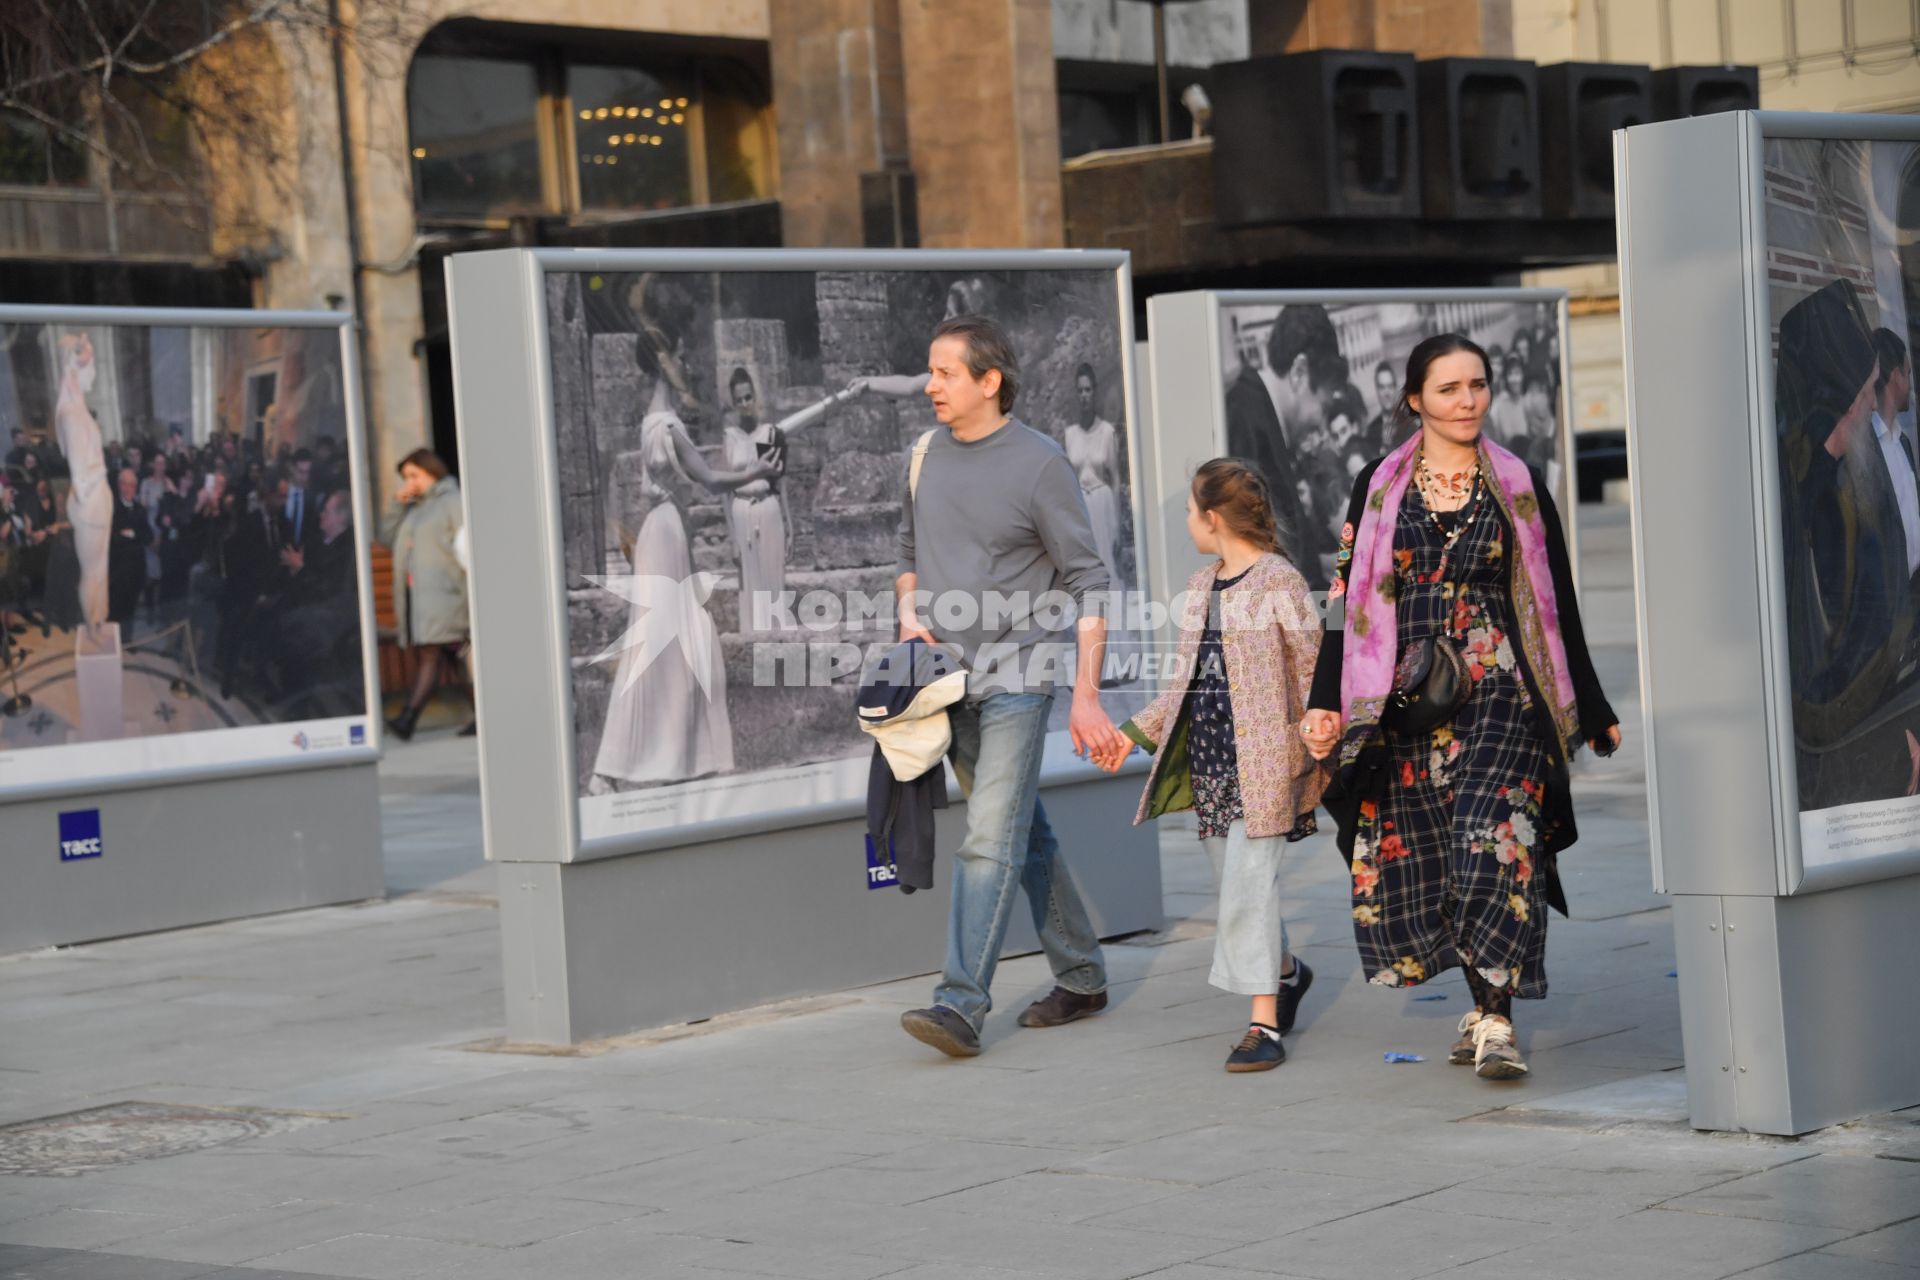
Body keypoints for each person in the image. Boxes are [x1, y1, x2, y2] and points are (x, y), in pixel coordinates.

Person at [1299, 333, 1619, 1081]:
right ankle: (1480, 1001)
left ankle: (1499, 1022)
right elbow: (1344, 599)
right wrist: (1324, 698)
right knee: (1440, 853)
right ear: (1415, 400)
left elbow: (1555, 595)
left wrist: (1591, 700)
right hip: (1405, 694)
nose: (1467, 400)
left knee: (1495, 840)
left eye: (1478, 385)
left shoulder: (1517, 481)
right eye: (1449, 389)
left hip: (1503, 687)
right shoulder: (1376, 485)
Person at [894, 314, 1122, 1059]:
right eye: (930, 371)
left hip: (1020, 677)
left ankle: (959, 1004)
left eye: (945, 373)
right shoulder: (924, 454)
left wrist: (1086, 695)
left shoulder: (1041, 464)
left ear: (989, 382)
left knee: (989, 839)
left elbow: (1090, 579)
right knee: (1024, 831)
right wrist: (908, 615)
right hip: (943, 684)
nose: (930, 385)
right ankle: (1082, 975)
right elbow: (908, 549)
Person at [1100, 459, 1327, 1072]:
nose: (1187, 522)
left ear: (1214, 516)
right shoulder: (1202, 587)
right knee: (1237, 885)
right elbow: (1183, 687)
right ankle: (1287, 972)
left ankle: (1263, 1024)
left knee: (1248, 890)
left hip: (1265, 764)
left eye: (1189, 511)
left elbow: (1314, 672)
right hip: (1208, 764)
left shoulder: (1280, 581)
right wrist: (1131, 737)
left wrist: (1312, 738)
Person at [587, 379, 782, 788]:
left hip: (663, 531)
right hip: (665, 534)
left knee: (681, 642)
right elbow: (709, 479)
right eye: (679, 357)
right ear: (663, 364)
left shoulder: (651, 423)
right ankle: (616, 765)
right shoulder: (669, 428)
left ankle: (684, 756)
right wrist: (757, 470)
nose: (688, 368)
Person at [381, 449, 467, 741]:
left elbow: (466, 549)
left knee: (432, 654)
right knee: (458, 658)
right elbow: (387, 537)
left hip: (447, 597)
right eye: (405, 477)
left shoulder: (452, 501)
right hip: (422, 600)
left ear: (431, 470)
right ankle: (484, 716)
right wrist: (397, 504)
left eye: (414, 475)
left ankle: (408, 718)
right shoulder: (417, 508)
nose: (410, 482)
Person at [53, 333, 113, 629]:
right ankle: (92, 626)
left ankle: (98, 621)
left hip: (97, 498)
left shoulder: (78, 411)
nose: (95, 373)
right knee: (92, 572)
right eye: (91, 366)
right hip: (90, 501)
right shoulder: (70, 413)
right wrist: (99, 475)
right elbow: (80, 473)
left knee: (100, 570)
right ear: (75, 368)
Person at [1063, 362, 1123, 590]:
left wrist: (1116, 523)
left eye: (1088, 390)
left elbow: (1115, 479)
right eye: (1080, 390)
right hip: (1081, 507)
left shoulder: (1107, 432)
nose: (1084, 395)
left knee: (1107, 565)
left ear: (1095, 391)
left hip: (1103, 503)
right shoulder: (1070, 435)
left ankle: (1114, 620)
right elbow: (1067, 482)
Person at [1868, 328, 1920, 589]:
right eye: (1908, 373)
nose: (1910, 385)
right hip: (1889, 603)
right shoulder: (1866, 449)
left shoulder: (1903, 442)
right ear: (1896, 376)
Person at [108, 466, 152, 633]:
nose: (129, 489)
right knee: (114, 606)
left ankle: (127, 638)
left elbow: (148, 536)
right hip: (117, 568)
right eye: (126, 484)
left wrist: (132, 534)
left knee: (130, 605)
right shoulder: (112, 508)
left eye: (132, 485)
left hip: (135, 568)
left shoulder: (140, 509)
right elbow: (110, 536)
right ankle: (113, 640)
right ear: (119, 485)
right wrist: (124, 536)